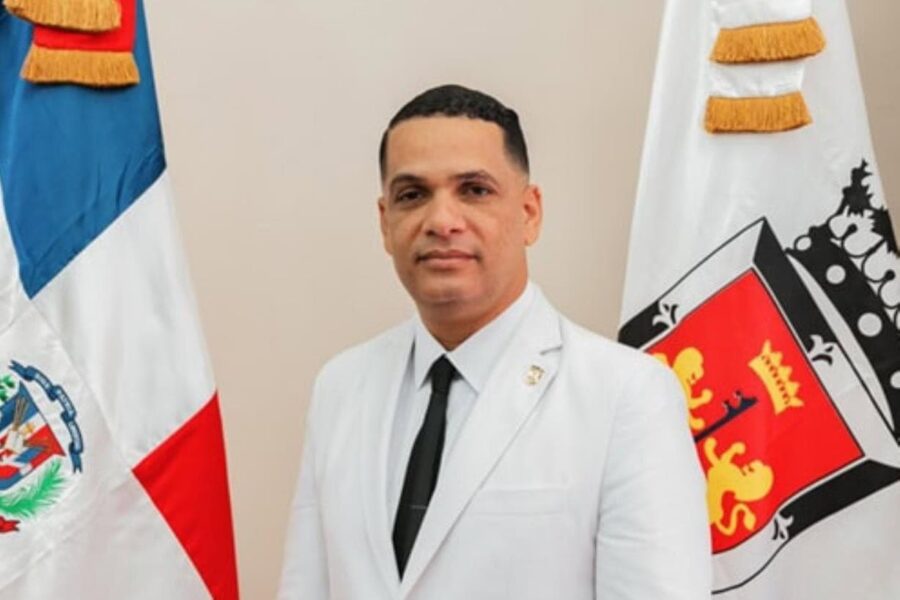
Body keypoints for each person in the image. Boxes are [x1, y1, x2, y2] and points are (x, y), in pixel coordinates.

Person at [278, 84, 711, 599]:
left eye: (474, 190)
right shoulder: (340, 387)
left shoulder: (626, 395)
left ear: (529, 213)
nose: (441, 221)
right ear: (385, 222)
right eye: (412, 195)